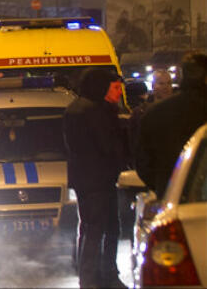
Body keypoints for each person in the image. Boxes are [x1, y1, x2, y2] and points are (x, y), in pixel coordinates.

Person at [63, 66, 127, 289]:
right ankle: (100, 276)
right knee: (102, 228)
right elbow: (108, 146)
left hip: (85, 180)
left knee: (90, 227)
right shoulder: (95, 111)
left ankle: (90, 276)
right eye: (115, 88)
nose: (118, 93)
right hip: (99, 179)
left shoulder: (75, 108)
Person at [135, 52, 207, 197]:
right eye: (162, 83)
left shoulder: (154, 114)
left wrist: (164, 186)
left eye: (168, 83)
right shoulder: (148, 112)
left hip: (170, 197)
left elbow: (143, 162)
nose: (166, 87)